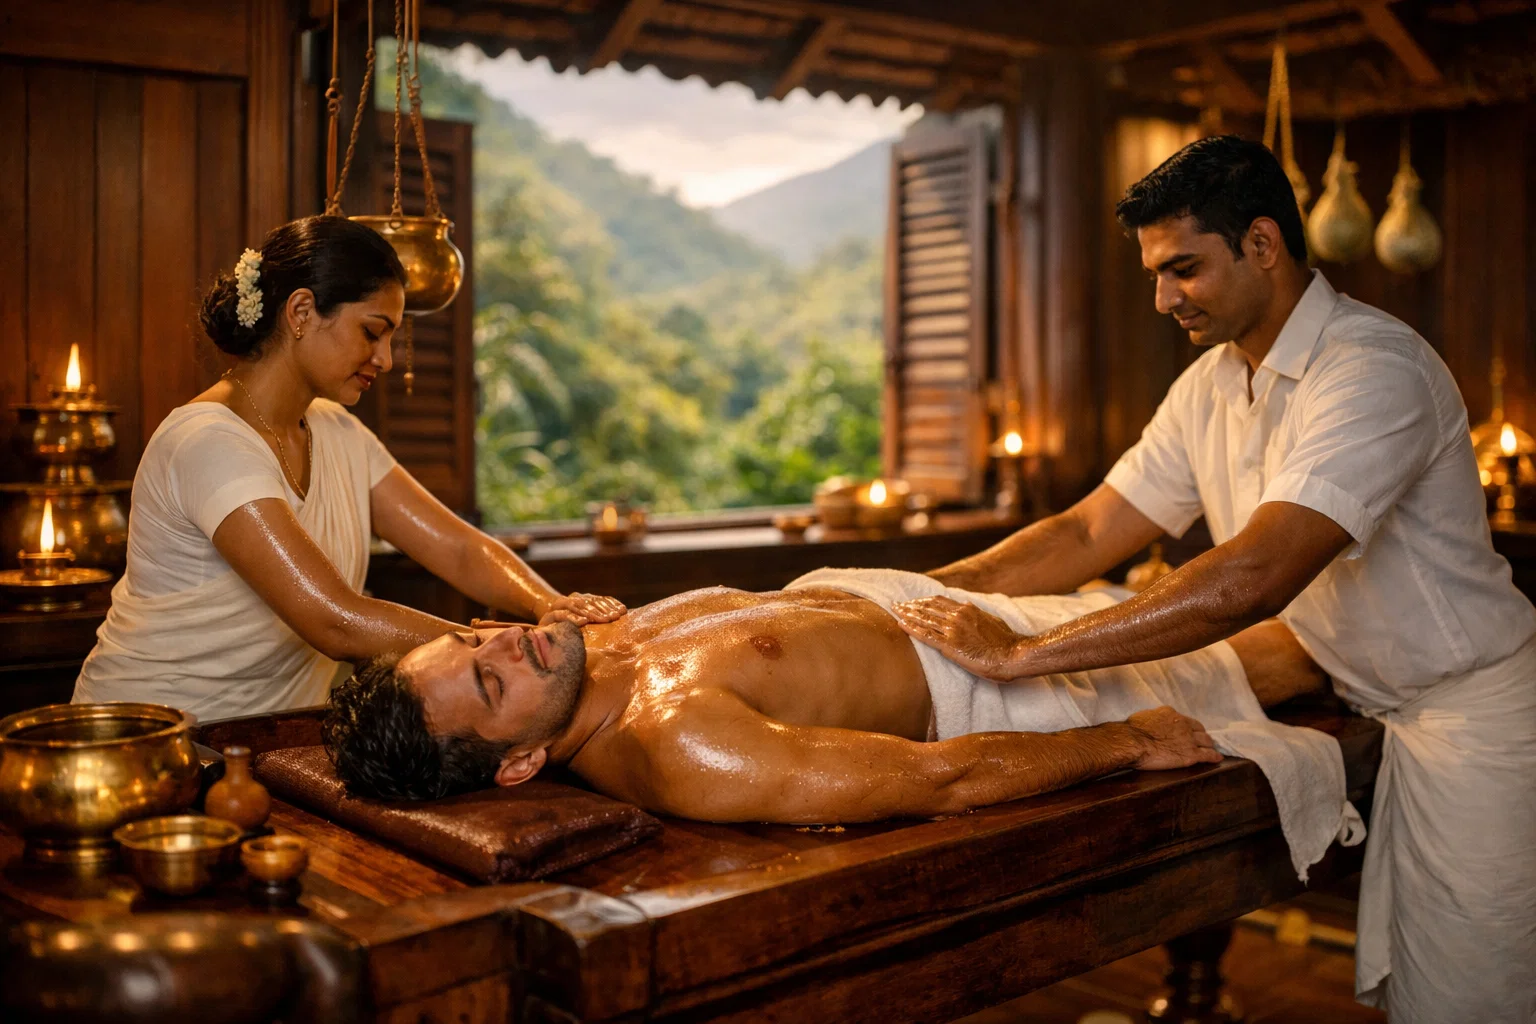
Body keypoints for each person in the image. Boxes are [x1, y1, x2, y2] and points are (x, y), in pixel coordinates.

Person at [890, 135, 1536, 1023]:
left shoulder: (1371, 369)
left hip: (1476, 717)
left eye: (1184, 269)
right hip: (1368, 703)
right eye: (1155, 273)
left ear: (1263, 245)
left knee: (1474, 1003)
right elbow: (1090, 528)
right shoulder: (1210, 385)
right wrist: (903, 593)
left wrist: (1028, 652)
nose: (1163, 299)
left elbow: (1258, 573)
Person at [322, 568, 1359, 879]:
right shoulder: (681, 745)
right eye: (492, 686)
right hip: (1004, 688)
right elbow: (935, 778)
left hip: (955, 616)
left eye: (475, 642)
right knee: (1303, 656)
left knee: (1244, 610)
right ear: (524, 764)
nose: (508, 648)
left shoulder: (596, 640)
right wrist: (1128, 742)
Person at [75, 216, 623, 721]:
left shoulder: (338, 433)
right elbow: (335, 620)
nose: (385, 358)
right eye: (372, 331)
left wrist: (550, 604)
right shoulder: (207, 441)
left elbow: (457, 547)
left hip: (272, 741)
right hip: (146, 737)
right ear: (301, 312)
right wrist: (503, 653)